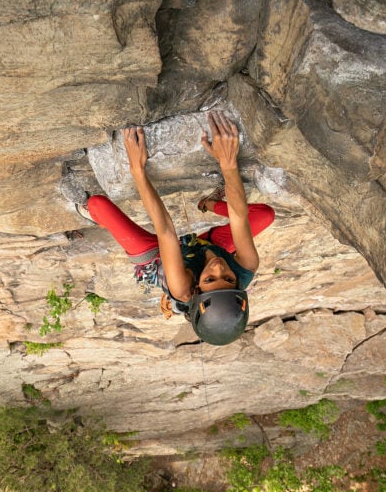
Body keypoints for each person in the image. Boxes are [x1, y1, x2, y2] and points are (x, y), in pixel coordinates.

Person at [78, 111, 275, 345]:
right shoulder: (246, 268)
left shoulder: (182, 287)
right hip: (204, 246)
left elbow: (166, 232)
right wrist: (228, 163)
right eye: (229, 279)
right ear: (238, 285)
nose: (219, 268)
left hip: (159, 259)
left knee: (97, 205)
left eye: (210, 280)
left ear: (195, 291)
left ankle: (90, 213)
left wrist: (137, 170)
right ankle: (208, 203)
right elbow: (240, 216)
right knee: (264, 215)